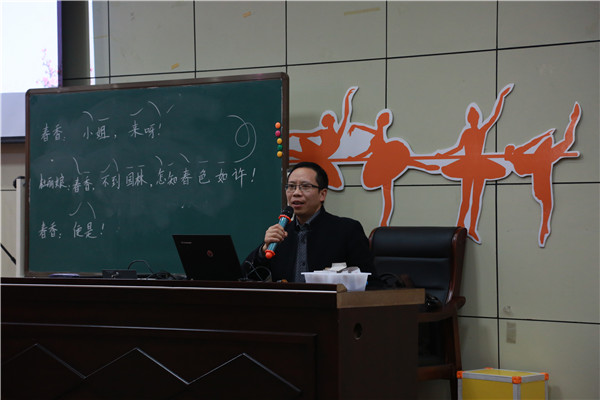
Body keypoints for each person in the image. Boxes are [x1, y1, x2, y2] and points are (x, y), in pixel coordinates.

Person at [243, 161, 373, 282]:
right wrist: (263, 251)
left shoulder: (347, 230)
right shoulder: (280, 234)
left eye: (305, 186)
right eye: (291, 186)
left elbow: (370, 282)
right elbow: (245, 278)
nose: (296, 193)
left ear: (322, 194)